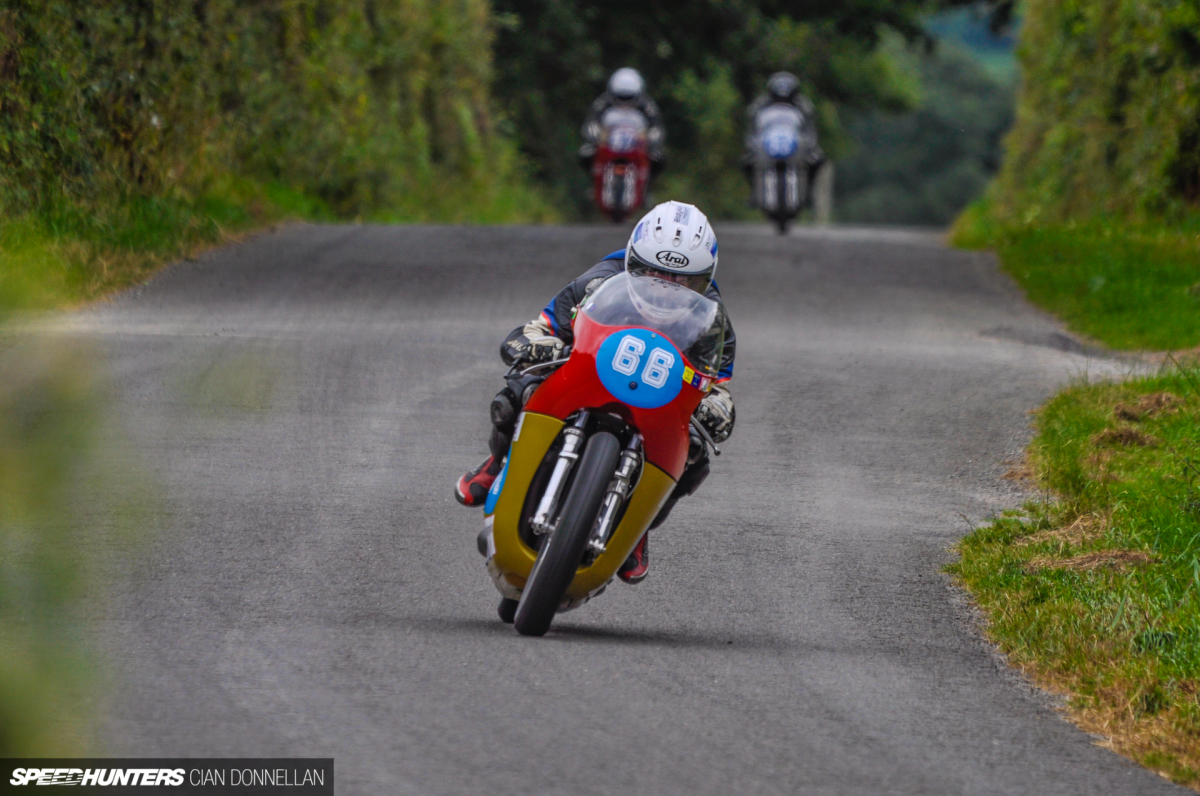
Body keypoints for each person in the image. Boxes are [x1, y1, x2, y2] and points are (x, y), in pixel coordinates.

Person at [455, 200, 736, 584]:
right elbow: (541, 327)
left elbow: (716, 384)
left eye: (684, 281)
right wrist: (534, 345)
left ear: (706, 279)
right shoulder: (597, 281)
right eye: (652, 273)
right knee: (518, 389)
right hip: (585, 378)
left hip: (656, 403)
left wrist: (718, 408)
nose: (667, 290)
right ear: (632, 262)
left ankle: (639, 528)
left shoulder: (713, 320)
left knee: (697, 455)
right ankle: (498, 461)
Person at [743, 71, 825, 195]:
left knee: (818, 159)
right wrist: (752, 144)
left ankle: (808, 187)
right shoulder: (760, 105)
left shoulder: (804, 105)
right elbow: (752, 126)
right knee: (747, 162)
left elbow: (810, 128)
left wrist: (810, 145)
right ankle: (754, 190)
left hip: (796, 143)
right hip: (767, 143)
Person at [579, 67, 666, 179]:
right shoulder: (602, 102)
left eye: (629, 97)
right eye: (621, 96)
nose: (625, 101)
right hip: (608, 146)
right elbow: (592, 122)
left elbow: (656, 126)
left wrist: (651, 142)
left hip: (637, 148)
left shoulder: (647, 105)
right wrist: (596, 139)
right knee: (585, 154)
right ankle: (596, 183)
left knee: (658, 159)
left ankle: (645, 187)